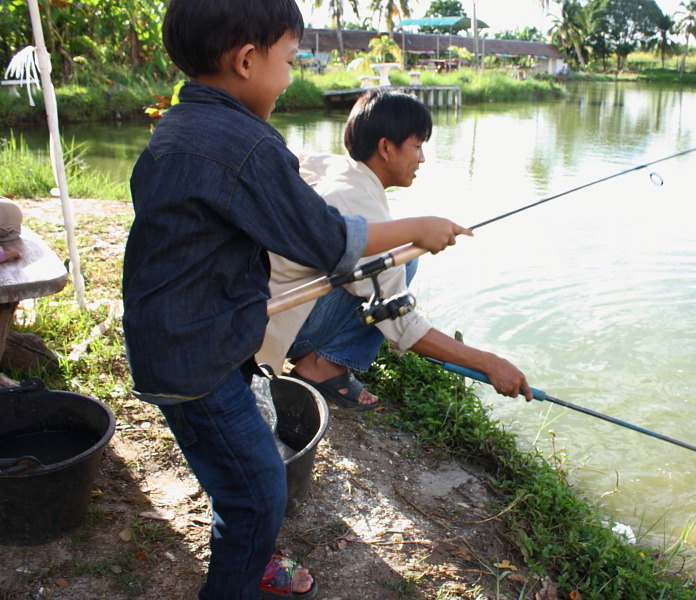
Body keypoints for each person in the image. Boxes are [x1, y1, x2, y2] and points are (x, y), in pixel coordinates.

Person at [121, 3, 468, 599]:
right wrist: (420, 229)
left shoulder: (177, 127)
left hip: (183, 336)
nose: (289, 77)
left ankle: (249, 554)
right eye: (287, 60)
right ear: (247, 59)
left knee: (243, 476)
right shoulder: (244, 142)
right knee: (258, 490)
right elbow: (329, 239)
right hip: (194, 354)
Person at [258, 90, 532, 409]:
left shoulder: (336, 168)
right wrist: (489, 363)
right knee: (388, 283)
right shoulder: (356, 204)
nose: (422, 158)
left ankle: (320, 358)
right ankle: (319, 367)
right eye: (416, 146)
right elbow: (401, 322)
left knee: (403, 260)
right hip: (271, 328)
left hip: (265, 304)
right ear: (386, 148)